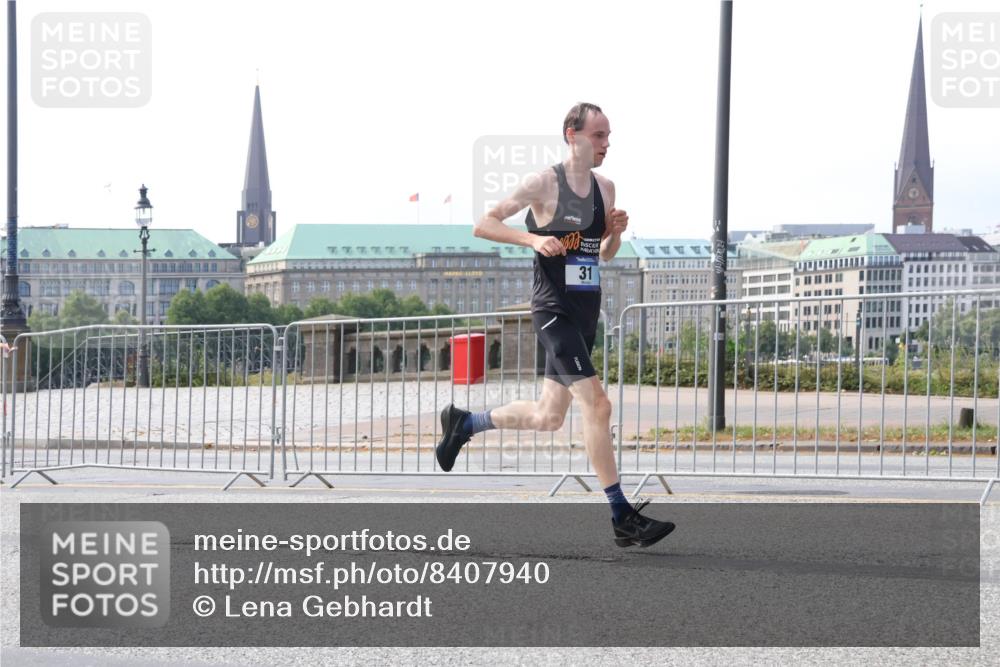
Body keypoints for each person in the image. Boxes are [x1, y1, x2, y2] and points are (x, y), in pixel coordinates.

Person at [436, 102, 675, 548]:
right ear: (573, 135)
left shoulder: (606, 188)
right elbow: (483, 224)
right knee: (598, 406)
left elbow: (601, 255)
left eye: (608, 136)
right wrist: (532, 237)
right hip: (553, 311)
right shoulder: (544, 183)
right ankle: (622, 516)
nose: (606, 144)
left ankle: (465, 423)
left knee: (549, 417)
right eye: (599, 135)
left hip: (586, 312)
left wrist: (616, 232)